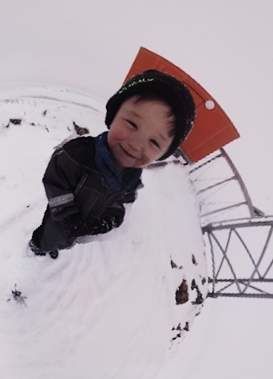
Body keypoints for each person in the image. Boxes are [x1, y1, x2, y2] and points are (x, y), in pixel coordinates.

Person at [29, 69, 197, 258]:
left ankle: (56, 246)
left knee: (66, 242)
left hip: (84, 224)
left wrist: (112, 218)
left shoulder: (131, 178)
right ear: (114, 116)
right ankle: (37, 245)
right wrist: (68, 217)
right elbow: (55, 180)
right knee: (50, 236)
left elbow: (122, 201)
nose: (136, 145)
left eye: (154, 142)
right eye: (132, 124)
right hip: (60, 218)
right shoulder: (76, 154)